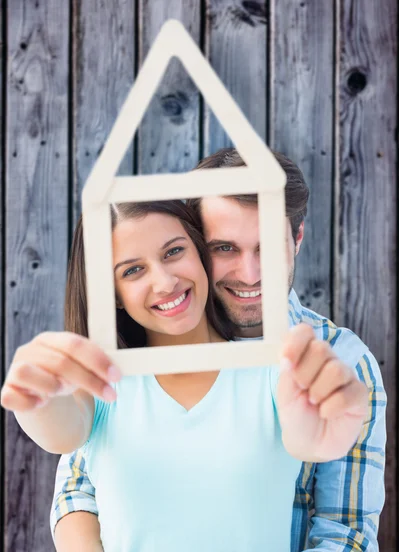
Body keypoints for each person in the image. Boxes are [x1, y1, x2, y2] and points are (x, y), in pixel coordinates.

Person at [48, 148, 386, 552]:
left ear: (296, 239)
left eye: (266, 248)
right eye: (224, 248)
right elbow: (79, 484)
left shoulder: (342, 361)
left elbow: (345, 534)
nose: (249, 274)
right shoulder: (136, 349)